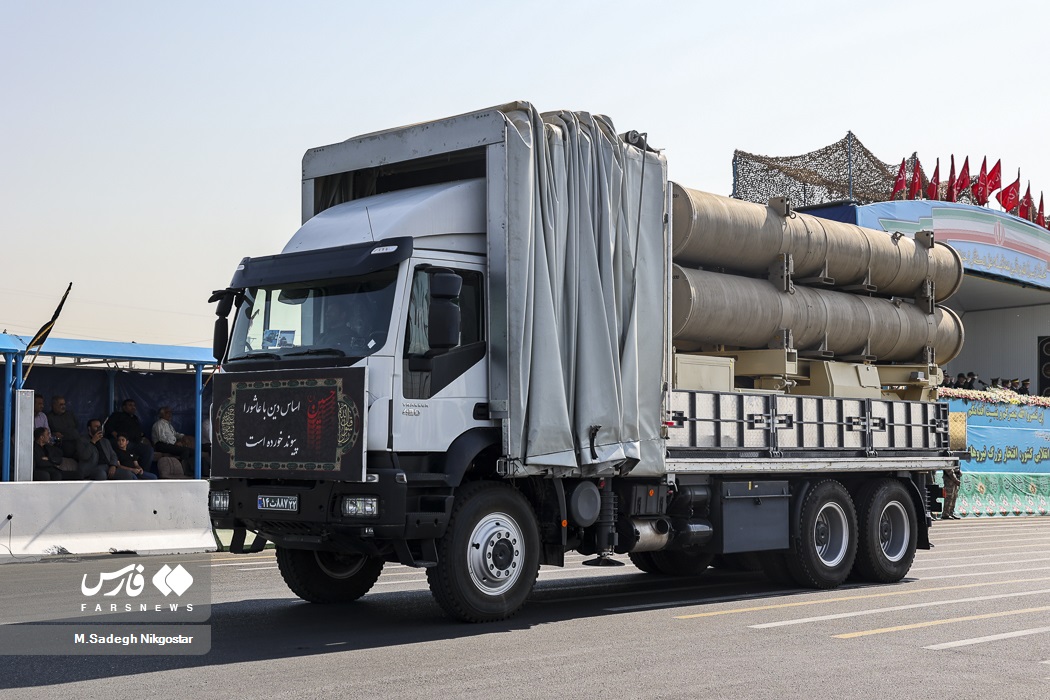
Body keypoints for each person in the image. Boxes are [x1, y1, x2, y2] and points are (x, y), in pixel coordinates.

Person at [105, 399, 155, 474]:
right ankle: (130, 472)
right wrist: (117, 436)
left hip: (135, 443)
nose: (133, 407)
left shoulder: (135, 418)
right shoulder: (117, 415)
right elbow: (108, 427)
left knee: (148, 450)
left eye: (134, 405)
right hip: (122, 442)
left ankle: (143, 473)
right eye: (130, 405)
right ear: (124, 407)